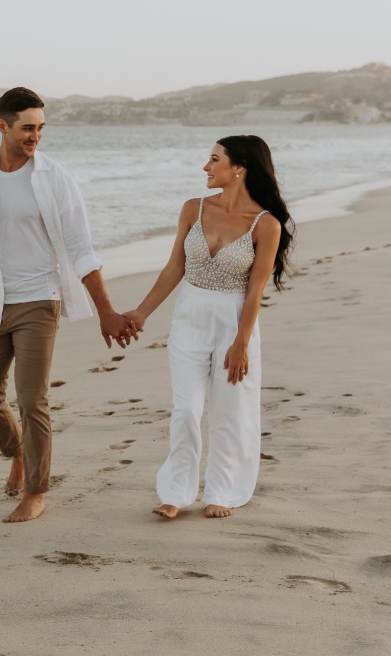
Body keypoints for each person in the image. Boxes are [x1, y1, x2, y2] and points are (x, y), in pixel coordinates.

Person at [0, 87, 137, 523]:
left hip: (38, 299)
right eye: (27, 127)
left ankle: (36, 491)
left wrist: (105, 308)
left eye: (41, 128)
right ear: (3, 126)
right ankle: (18, 452)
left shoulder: (54, 178)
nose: (36, 136)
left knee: (32, 399)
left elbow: (81, 247)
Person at [124, 135, 294, 520]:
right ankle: (176, 492)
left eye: (214, 159)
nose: (206, 166)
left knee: (231, 411)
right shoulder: (193, 209)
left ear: (239, 168)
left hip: (234, 321)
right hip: (190, 318)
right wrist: (142, 312)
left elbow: (255, 289)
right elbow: (174, 268)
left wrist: (242, 342)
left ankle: (223, 491)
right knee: (185, 409)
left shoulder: (266, 225)